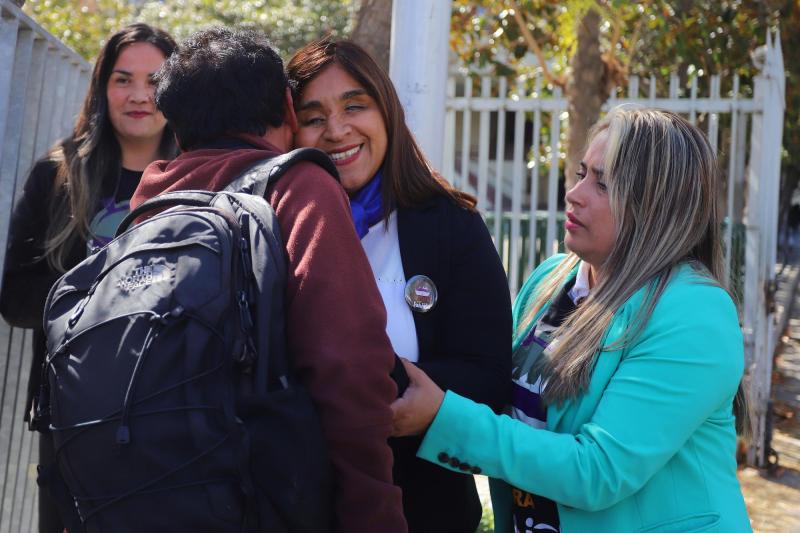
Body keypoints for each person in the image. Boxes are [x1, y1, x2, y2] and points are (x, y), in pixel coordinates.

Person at [392, 107, 752, 532]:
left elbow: (598, 472)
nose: (575, 193)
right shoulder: (553, 278)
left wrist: (442, 417)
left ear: (657, 207)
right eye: (582, 173)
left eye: (603, 183)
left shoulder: (693, 315)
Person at [129, 27, 406, 532]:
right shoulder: (297, 187)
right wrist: (374, 512)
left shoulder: (146, 210)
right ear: (286, 106)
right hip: (256, 503)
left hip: (138, 500)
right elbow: (348, 363)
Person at [287, 37, 512, 533]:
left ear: (386, 110)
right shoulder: (270, 230)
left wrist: (408, 401)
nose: (338, 130)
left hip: (425, 508)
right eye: (315, 115)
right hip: (298, 504)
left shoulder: (452, 225)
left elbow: (490, 373)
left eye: (355, 106)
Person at [0, 23, 177, 532]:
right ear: (102, 87)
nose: (140, 95)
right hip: (73, 413)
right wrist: (105, 298)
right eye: (123, 79)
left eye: (156, 79)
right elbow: (15, 297)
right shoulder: (57, 174)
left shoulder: (201, 178)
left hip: (172, 409)